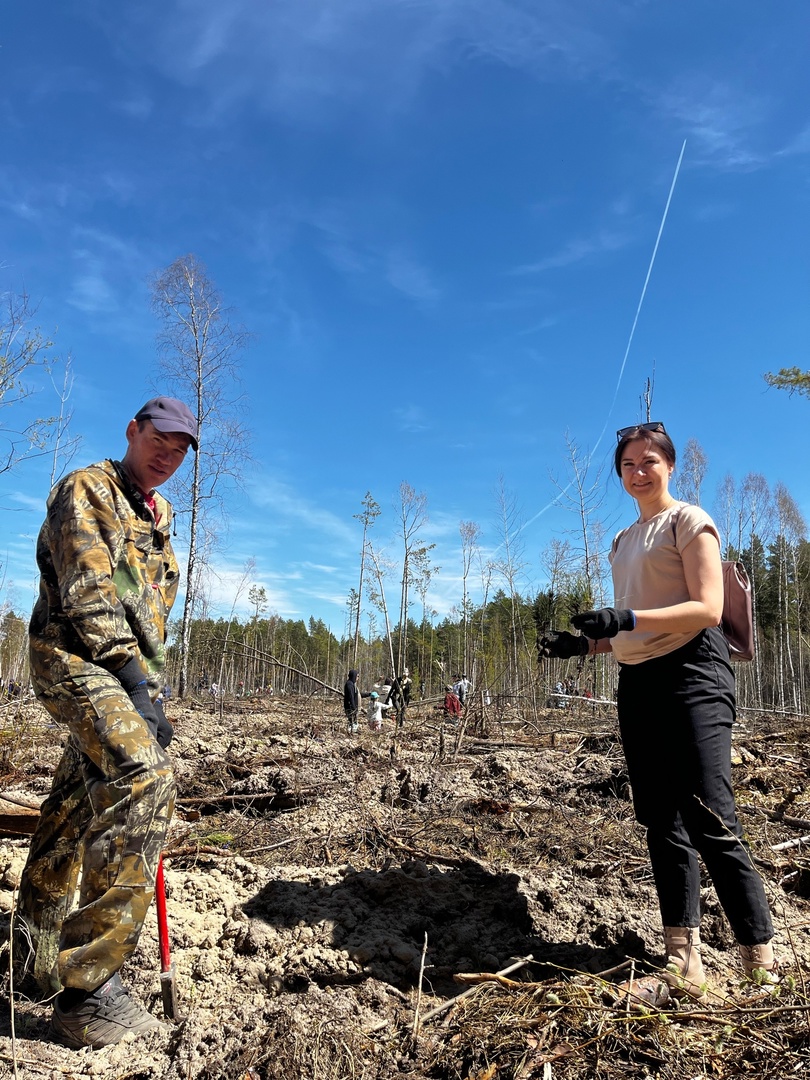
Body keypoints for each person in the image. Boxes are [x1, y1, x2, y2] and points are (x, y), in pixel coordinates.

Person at [539, 421, 777, 1000]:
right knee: (660, 819)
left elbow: (706, 607)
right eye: (628, 465)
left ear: (670, 466)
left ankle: (761, 966)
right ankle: (684, 962)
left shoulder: (689, 522)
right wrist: (588, 643)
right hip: (637, 680)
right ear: (619, 474)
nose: (638, 472)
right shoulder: (622, 541)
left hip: (694, 670)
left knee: (709, 813)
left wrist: (625, 620)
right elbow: (634, 622)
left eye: (649, 461)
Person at [14, 395, 197, 1048]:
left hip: (127, 674)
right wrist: (132, 683)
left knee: (71, 807)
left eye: (179, 451)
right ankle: (88, 992)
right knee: (145, 780)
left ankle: (31, 965)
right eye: (159, 440)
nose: (167, 456)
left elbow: (151, 610)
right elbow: (92, 593)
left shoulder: (162, 516)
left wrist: (154, 691)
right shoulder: (86, 490)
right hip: (74, 657)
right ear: (132, 430)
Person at [343, 669, 360, 733]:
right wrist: (353, 707)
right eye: (357, 676)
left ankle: (352, 732)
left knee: (353, 721)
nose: (358, 678)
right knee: (351, 721)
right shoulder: (349, 684)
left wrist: (369, 694)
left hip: (352, 707)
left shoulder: (352, 684)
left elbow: (357, 695)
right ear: (354, 676)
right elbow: (351, 696)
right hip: (350, 707)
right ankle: (351, 733)